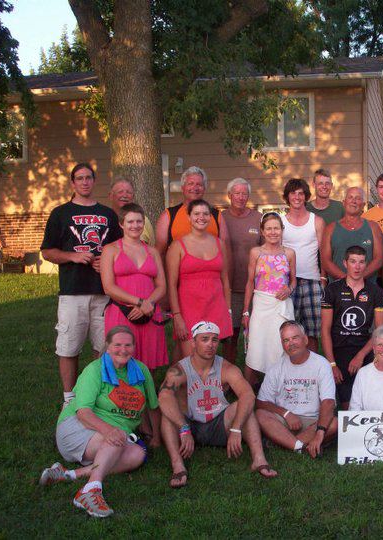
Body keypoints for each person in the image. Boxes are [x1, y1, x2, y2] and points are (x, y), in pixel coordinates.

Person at [39, 326, 160, 518]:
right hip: (76, 428)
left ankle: (69, 474)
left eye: (128, 345)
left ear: (134, 347)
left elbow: (153, 407)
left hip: (109, 437)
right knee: (117, 438)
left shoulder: (141, 371)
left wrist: (156, 437)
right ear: (108, 346)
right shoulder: (95, 370)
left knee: (137, 455)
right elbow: (83, 413)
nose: (123, 350)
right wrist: (110, 431)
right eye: (117, 345)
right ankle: (91, 490)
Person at [157, 321, 277, 487]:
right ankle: (177, 465)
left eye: (214, 340)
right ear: (193, 343)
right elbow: (164, 396)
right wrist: (183, 428)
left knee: (244, 406)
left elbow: (248, 395)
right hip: (189, 424)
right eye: (204, 339)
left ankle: (259, 459)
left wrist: (236, 428)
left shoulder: (227, 368)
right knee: (168, 415)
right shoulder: (179, 370)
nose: (210, 344)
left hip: (219, 423)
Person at [41, 162, 122, 407]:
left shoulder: (108, 214)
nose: (85, 182)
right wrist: (72, 256)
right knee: (69, 346)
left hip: (103, 291)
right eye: (80, 178)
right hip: (72, 291)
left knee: (103, 346)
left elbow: (120, 249)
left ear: (94, 181)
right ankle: (69, 398)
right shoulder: (60, 213)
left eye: (88, 178)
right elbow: (47, 251)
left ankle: (98, 393)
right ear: (73, 182)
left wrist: (106, 263)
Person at [100, 203, 168, 370]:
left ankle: (147, 388)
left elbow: (161, 286)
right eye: (130, 222)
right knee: (121, 361)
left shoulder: (152, 252)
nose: (135, 226)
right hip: (122, 312)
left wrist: (148, 304)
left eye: (139, 221)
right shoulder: (110, 249)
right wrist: (139, 302)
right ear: (121, 224)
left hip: (150, 311)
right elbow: (108, 287)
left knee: (149, 363)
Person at [255, 321, 338, 458]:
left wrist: (319, 431)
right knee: (260, 415)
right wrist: (286, 414)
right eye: (286, 340)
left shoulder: (321, 364)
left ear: (305, 340)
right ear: (282, 344)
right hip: (284, 421)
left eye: (295, 338)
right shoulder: (276, 367)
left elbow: (328, 402)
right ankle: (301, 446)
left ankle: (284, 443)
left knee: (334, 423)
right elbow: (261, 402)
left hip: (313, 421)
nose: (291, 343)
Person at [321, 245, 383, 409]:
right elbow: (325, 330)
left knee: (370, 402)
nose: (357, 267)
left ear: (366, 264)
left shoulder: (375, 291)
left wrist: (361, 355)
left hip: (365, 348)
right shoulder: (332, 290)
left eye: (361, 262)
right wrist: (332, 364)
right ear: (345, 263)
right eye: (353, 262)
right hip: (340, 350)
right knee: (348, 407)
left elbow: (380, 330)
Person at [167, 199, 232, 358]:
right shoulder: (177, 246)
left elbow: (225, 280)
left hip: (215, 307)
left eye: (205, 214)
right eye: (196, 214)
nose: (201, 217)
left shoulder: (220, 244)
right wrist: (177, 315)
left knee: (210, 358)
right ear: (189, 217)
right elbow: (171, 285)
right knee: (190, 359)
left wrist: (228, 311)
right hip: (188, 309)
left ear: (210, 217)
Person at [242, 212, 296, 385]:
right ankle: (248, 391)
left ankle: (280, 386)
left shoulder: (289, 253)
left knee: (280, 346)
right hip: (261, 305)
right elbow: (250, 282)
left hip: (281, 306)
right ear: (262, 231)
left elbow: (293, 280)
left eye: (276, 228)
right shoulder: (256, 253)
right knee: (256, 346)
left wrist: (289, 289)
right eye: (269, 229)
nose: (273, 232)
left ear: (282, 230)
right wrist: (245, 311)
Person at [281, 178, 326, 351]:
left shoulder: (317, 221)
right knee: (287, 329)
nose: (297, 197)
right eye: (293, 193)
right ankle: (289, 365)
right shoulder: (280, 222)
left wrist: (323, 278)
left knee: (312, 332)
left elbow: (323, 252)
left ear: (306, 196)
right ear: (287, 196)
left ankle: (312, 365)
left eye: (301, 193)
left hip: (312, 281)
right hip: (287, 282)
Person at [220, 177, 262, 363]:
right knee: (230, 336)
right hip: (229, 288)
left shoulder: (258, 218)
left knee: (255, 335)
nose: (240, 197)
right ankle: (228, 371)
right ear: (229, 195)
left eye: (244, 193)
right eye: (237, 193)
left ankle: (253, 372)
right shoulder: (220, 218)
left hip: (255, 288)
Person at [155, 166, 228, 259]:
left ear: (204, 188)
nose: (195, 187)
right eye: (190, 183)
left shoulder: (217, 216)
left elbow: (226, 253)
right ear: (182, 187)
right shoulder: (169, 215)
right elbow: (159, 253)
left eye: (199, 184)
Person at [321, 186, 383, 279]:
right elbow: (326, 261)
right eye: (350, 197)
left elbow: (378, 260)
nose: (353, 201)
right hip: (338, 285)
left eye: (358, 198)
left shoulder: (373, 227)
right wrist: (346, 280)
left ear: (363, 205)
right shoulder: (330, 229)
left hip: (367, 285)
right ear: (344, 202)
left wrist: (359, 278)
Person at [108, 179, 155, 245]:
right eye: (120, 192)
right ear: (110, 196)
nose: (125, 195)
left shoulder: (140, 220)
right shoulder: (104, 218)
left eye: (128, 192)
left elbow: (137, 248)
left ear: (133, 197)